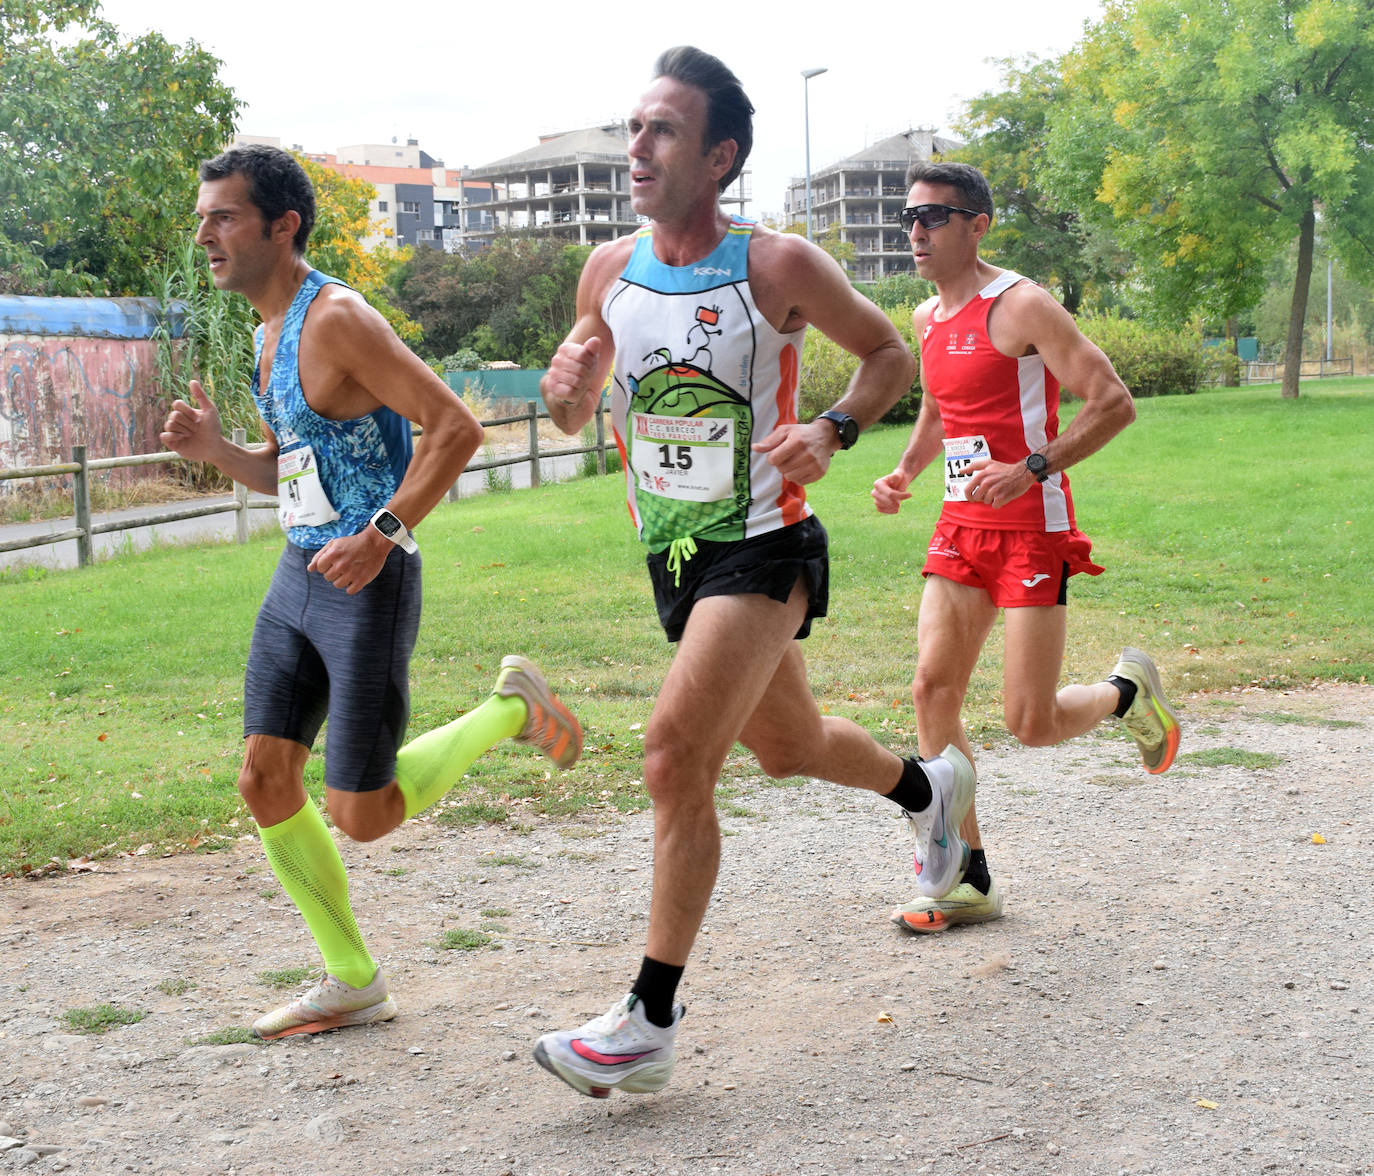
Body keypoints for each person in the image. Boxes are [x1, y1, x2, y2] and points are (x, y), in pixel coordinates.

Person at [530, 47, 975, 1099]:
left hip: (768, 544)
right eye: (633, 127)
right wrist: (563, 386)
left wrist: (831, 428)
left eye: (662, 132)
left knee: (675, 755)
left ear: (719, 154)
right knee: (789, 747)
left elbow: (888, 358)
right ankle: (932, 788)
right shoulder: (606, 269)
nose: (635, 149)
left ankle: (648, 1018)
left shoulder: (775, 265)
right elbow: (572, 407)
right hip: (674, 553)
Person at [159, 145, 582, 1039]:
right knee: (263, 779)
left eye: (223, 216)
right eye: (204, 216)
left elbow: (455, 427)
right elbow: (291, 467)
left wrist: (382, 535)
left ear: (284, 226)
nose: (205, 233)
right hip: (298, 577)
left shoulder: (337, 318)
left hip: (367, 583)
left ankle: (511, 710)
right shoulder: (265, 330)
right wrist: (216, 452)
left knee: (364, 814)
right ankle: (352, 979)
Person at [871, 161, 1181, 935]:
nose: (917, 229)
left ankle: (1126, 695)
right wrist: (907, 468)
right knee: (930, 689)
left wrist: (1032, 467)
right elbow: (943, 407)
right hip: (958, 526)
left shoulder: (1023, 306)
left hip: (1031, 526)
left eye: (935, 216)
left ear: (977, 225)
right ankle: (965, 874)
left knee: (1030, 722)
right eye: (910, 216)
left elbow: (1114, 402)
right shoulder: (924, 318)